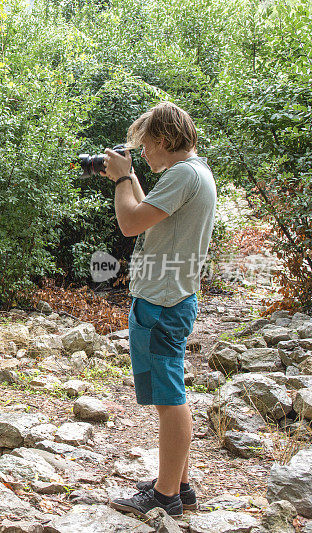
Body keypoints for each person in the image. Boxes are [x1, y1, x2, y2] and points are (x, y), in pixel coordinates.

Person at [100, 102, 217, 517]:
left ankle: (165, 496)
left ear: (165, 140)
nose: (143, 154)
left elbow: (131, 222)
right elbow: (151, 215)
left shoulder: (183, 174)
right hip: (173, 297)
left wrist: (120, 179)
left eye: (146, 146)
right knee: (171, 394)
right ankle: (179, 485)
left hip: (163, 302)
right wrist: (130, 175)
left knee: (171, 399)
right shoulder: (194, 173)